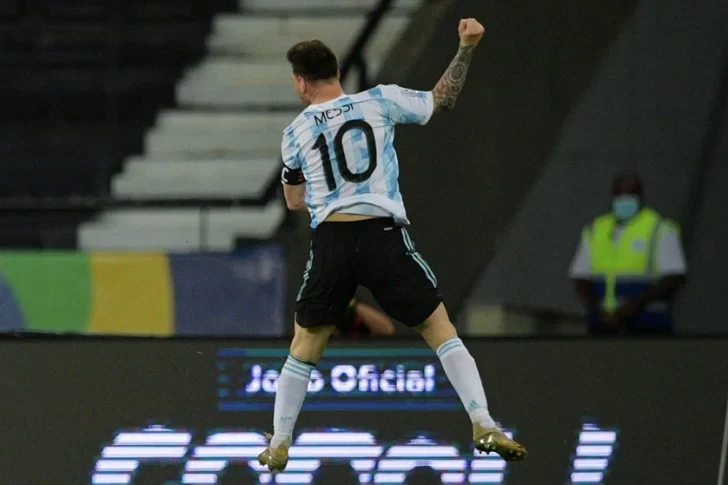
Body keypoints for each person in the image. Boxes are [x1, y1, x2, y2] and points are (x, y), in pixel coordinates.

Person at [257, 18, 527, 474]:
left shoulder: (295, 133)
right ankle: (482, 421)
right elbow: (441, 99)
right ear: (337, 72)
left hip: (333, 240)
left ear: (301, 83)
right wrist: (466, 47)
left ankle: (280, 441)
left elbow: (295, 201)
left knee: (305, 344)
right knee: (438, 328)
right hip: (381, 233)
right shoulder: (379, 100)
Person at [569, 171, 687, 335]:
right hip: (603, 325)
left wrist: (636, 304)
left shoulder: (660, 229)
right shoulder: (596, 229)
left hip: (648, 324)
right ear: (612, 196)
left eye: (630, 194)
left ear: (640, 197)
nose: (624, 200)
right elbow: (581, 277)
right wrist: (597, 310)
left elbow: (674, 277)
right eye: (620, 194)